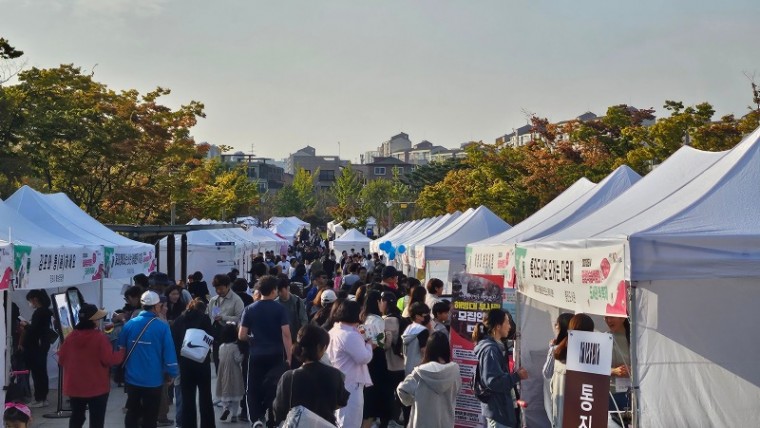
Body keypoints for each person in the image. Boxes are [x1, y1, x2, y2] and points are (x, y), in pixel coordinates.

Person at [58, 304, 125, 428]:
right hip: (97, 387)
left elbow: (61, 360)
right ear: (93, 321)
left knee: (77, 418)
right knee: (97, 420)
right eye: (97, 319)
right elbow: (109, 360)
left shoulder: (70, 338)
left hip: (75, 387)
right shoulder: (99, 338)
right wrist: (121, 352)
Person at [118, 291, 179, 428]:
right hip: (153, 380)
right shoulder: (162, 327)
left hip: (132, 378)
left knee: (132, 412)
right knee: (150, 416)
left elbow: (120, 349)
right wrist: (172, 373)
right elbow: (169, 353)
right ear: (156, 306)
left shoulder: (129, 325)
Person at [238, 275, 292, 428]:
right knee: (274, 388)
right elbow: (286, 334)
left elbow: (241, 335)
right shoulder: (280, 309)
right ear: (274, 290)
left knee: (253, 388)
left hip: (256, 354)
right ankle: (272, 421)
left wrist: (252, 340)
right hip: (276, 354)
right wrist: (289, 357)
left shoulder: (249, 309)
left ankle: (256, 419)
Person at [273, 325, 350, 426]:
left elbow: (279, 411)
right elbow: (342, 401)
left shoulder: (289, 377)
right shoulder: (335, 374)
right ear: (320, 348)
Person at [473, 308, 529, 428]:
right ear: (498, 326)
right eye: (507, 322)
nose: (509, 326)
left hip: (501, 410)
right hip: (498, 412)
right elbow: (493, 382)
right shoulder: (490, 349)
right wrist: (516, 376)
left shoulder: (495, 346)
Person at [397, 331, 461, 428]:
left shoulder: (420, 372)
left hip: (422, 423)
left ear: (429, 349)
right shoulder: (454, 371)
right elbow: (457, 391)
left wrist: (411, 400)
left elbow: (402, 390)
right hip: (446, 422)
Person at [326, 300, 374, 428]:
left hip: (338, 380)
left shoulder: (334, 331)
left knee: (338, 419)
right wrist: (369, 345)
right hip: (351, 384)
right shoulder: (350, 335)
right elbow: (364, 358)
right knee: (350, 421)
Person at [171, 298, 215, 428]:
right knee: (205, 396)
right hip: (202, 363)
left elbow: (174, 341)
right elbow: (211, 337)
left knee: (187, 399)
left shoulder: (179, 320)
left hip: (185, 363)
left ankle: (188, 424)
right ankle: (207, 425)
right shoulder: (205, 319)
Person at [549, 313, 594, 428]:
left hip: (558, 412)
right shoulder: (585, 356)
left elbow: (548, 377)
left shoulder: (558, 350)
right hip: (576, 415)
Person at [360, 291, 390, 428]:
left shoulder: (363, 317)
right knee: (374, 398)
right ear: (378, 302)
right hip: (376, 359)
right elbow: (379, 342)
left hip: (365, 358)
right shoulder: (378, 320)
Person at [19, 289, 53, 408]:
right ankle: (42, 397)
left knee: (38, 373)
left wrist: (26, 325)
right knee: (41, 372)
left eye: (30, 300)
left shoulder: (40, 312)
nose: (30, 303)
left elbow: (35, 330)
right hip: (41, 346)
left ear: (35, 299)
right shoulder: (45, 312)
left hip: (36, 347)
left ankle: (40, 398)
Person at [208, 274, 244, 372]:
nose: (219, 291)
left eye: (221, 289)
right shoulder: (213, 300)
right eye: (217, 289)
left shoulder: (236, 300)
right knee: (217, 366)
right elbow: (209, 316)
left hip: (230, 338)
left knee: (229, 368)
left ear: (228, 286)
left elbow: (240, 318)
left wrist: (224, 317)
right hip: (216, 337)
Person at [379, 291, 405, 427]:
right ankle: (398, 417)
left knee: (390, 395)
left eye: (381, 301)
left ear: (385, 303)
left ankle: (389, 420)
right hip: (402, 363)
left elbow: (385, 344)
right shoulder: (400, 317)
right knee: (399, 394)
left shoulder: (387, 321)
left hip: (391, 364)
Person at [541, 313, 573, 422]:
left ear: (562, 326)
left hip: (559, 397)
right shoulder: (581, 347)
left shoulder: (556, 349)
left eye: (557, 324)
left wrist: (552, 349)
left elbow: (547, 373)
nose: (555, 326)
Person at [216, 324, 244, 423]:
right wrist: (243, 354)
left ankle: (225, 408)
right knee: (236, 395)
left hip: (223, 372)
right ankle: (234, 415)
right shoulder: (235, 347)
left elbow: (220, 358)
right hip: (234, 372)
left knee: (224, 392)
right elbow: (238, 359)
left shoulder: (221, 347)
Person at [606, 316, 631, 424]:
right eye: (606, 317)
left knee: (631, 423)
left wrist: (633, 370)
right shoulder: (605, 338)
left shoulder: (636, 338)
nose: (608, 320)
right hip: (612, 392)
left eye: (611, 317)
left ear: (622, 318)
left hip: (632, 393)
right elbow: (594, 367)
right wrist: (613, 371)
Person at [275, 276, 308, 344]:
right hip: (280, 340)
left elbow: (304, 320)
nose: (279, 294)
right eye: (278, 291)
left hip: (296, 340)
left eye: (281, 291)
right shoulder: (275, 303)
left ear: (288, 288)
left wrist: (301, 336)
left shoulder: (298, 302)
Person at [402, 302, 432, 376]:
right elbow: (424, 351)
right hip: (419, 370)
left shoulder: (409, 328)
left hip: (407, 367)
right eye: (426, 314)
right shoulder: (422, 330)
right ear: (418, 316)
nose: (428, 317)